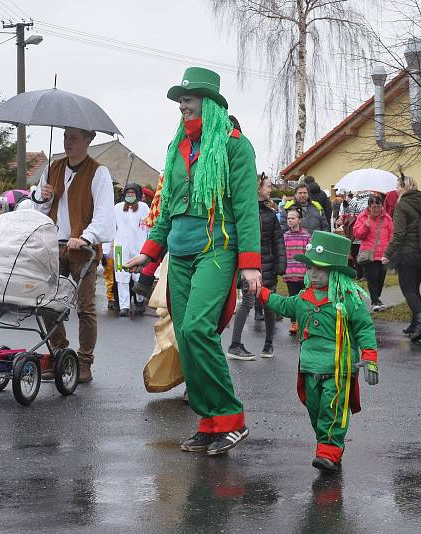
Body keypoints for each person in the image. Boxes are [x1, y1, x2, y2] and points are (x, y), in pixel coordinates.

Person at [125, 67, 262, 455]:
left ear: (211, 103)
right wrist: (149, 252)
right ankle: (208, 420)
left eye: (190, 98)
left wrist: (249, 261)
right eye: (180, 100)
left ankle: (230, 418)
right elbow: (166, 208)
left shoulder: (235, 145)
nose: (183, 105)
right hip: (181, 252)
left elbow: (246, 209)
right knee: (184, 337)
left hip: (217, 249)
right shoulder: (177, 147)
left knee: (199, 329)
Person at [258, 231, 379, 472]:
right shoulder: (302, 297)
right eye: (311, 268)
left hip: (338, 369)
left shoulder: (348, 299)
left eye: (321, 269)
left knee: (332, 409)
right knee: (316, 410)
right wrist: (260, 291)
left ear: (335, 272)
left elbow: (365, 328)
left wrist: (370, 358)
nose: (314, 273)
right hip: (309, 367)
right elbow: (281, 304)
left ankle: (329, 451)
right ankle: (326, 444)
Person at [32, 128, 116, 383]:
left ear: (88, 140)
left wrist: (86, 237)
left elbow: (104, 214)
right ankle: (59, 355)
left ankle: (84, 362)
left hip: (83, 250)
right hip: (54, 247)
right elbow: (38, 207)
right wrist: (41, 196)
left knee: (85, 308)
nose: (67, 142)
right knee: (46, 303)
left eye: (74, 138)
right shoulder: (52, 168)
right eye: (65, 136)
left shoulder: (98, 172)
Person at [228, 173, 284, 360]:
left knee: (269, 305)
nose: (270, 190)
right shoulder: (245, 212)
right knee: (247, 302)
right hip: (249, 264)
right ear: (258, 188)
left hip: (267, 265)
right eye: (268, 186)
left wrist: (280, 264)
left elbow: (278, 241)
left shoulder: (270, 214)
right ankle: (235, 344)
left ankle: (268, 344)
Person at [382, 174, 421, 341]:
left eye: (398, 186)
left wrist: (387, 254)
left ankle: (420, 320)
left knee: (407, 288)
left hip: (408, 253)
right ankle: (414, 324)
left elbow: (399, 234)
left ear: (404, 187)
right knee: (415, 288)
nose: (396, 189)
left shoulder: (402, 204)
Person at [113, 183, 150, 316]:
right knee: (121, 277)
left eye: (132, 194)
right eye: (128, 193)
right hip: (120, 248)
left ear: (138, 195)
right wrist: (106, 250)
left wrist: (151, 247)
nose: (130, 196)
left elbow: (150, 227)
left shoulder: (144, 208)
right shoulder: (116, 208)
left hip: (139, 247)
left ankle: (140, 302)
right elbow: (111, 228)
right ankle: (124, 306)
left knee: (138, 275)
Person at [353, 192, 393, 311]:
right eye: (373, 207)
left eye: (378, 206)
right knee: (373, 277)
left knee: (381, 277)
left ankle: (377, 298)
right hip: (369, 254)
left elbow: (392, 234)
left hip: (383, 254)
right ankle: (375, 301)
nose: (376, 209)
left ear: (382, 206)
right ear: (369, 207)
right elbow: (357, 235)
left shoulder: (387, 218)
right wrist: (365, 226)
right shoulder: (363, 217)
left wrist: (390, 251)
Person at [283, 208, 310, 336]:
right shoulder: (285, 237)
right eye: (288, 218)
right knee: (292, 298)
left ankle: (304, 322)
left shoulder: (306, 237)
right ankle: (293, 322)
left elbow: (309, 256)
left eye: (293, 218)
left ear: (299, 220)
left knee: (304, 299)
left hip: (303, 274)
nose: (290, 220)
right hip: (289, 274)